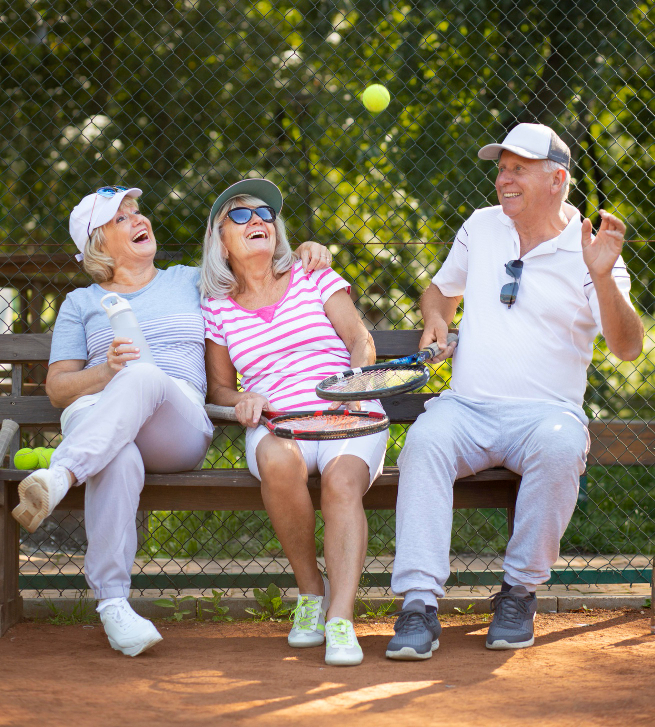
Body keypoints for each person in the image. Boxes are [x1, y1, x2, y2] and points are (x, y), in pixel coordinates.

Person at [12, 184, 331, 657]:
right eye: (122, 219)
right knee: (117, 458)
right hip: (100, 419)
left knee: (144, 377)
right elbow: (59, 389)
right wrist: (106, 371)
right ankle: (113, 605)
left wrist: (304, 250)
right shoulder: (81, 303)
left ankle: (61, 473)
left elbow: (252, 261)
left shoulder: (190, 279)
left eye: (137, 212)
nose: (140, 221)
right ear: (97, 244)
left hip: (174, 425)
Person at [386, 123, 643, 659]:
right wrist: (436, 319)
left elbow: (627, 348)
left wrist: (600, 276)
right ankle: (417, 605)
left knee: (559, 446)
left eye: (518, 169)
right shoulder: (481, 226)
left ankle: (519, 593)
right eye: (501, 168)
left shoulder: (593, 249)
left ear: (557, 180)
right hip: (467, 408)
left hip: (545, 415)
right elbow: (440, 289)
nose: (503, 178)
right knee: (425, 443)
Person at [201, 179, 388, 667]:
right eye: (239, 216)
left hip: (347, 409)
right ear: (221, 241)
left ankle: (341, 619)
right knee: (275, 461)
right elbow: (218, 387)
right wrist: (240, 398)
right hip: (279, 421)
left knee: (342, 481)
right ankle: (312, 595)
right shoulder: (216, 308)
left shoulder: (314, 275)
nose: (257, 221)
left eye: (264, 213)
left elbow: (360, 342)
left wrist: (355, 386)